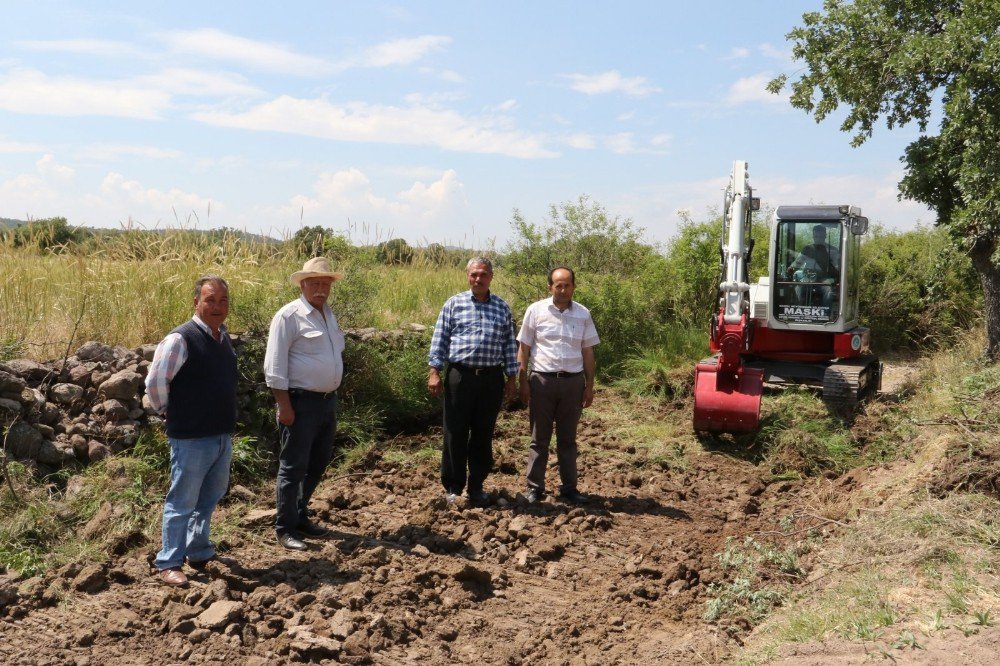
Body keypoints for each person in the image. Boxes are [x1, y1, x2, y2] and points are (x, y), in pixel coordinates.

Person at [146, 275, 237, 588]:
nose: (217, 306)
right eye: (210, 300)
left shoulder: (222, 338)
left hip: (221, 435)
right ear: (196, 302)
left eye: (223, 300)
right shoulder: (180, 339)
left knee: (210, 497)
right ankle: (169, 561)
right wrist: (170, 411)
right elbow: (155, 384)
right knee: (182, 500)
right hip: (191, 438)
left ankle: (198, 551)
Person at [264, 257, 345, 551]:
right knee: (293, 466)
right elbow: (274, 366)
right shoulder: (289, 316)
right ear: (303, 284)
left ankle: (299, 515)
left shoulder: (328, 314)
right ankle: (285, 527)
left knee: (319, 462)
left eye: (325, 283)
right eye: (315, 283)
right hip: (300, 402)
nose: (321, 289)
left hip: (326, 402)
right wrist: (284, 406)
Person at [427, 256, 518, 505]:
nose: (478, 279)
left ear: (491, 277)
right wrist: (434, 371)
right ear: (468, 275)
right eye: (474, 274)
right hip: (460, 376)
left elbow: (510, 344)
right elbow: (440, 338)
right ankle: (454, 487)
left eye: (484, 274)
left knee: (483, 432)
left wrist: (512, 378)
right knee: (454, 432)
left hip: (491, 379)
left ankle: (476, 487)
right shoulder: (454, 304)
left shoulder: (502, 307)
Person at [517, 267, 599, 504]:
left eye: (567, 285)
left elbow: (587, 350)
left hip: (573, 383)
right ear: (550, 287)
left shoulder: (583, 314)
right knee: (539, 438)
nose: (563, 290)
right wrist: (523, 381)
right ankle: (534, 488)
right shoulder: (535, 310)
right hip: (541, 381)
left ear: (574, 286)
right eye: (558, 285)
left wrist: (589, 385)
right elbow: (524, 348)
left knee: (568, 439)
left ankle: (569, 488)